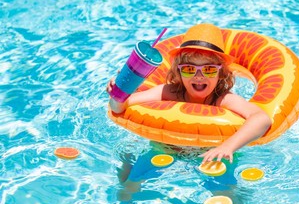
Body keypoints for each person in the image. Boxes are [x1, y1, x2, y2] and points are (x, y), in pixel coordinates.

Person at [106, 23, 271, 164]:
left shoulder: (223, 99)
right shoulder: (169, 91)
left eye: (208, 69)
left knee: (227, 191)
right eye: (190, 69)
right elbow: (119, 108)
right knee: (130, 184)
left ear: (220, 74)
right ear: (178, 72)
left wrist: (228, 146)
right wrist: (121, 91)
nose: (199, 76)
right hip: (168, 147)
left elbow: (262, 119)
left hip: (211, 152)